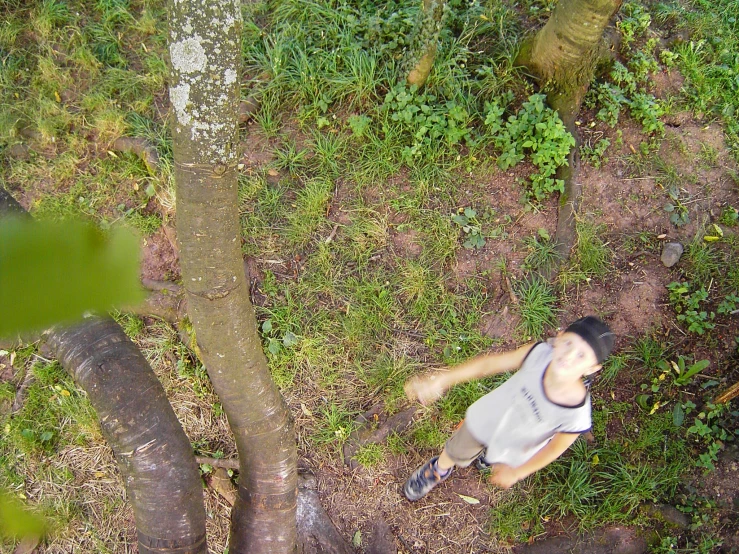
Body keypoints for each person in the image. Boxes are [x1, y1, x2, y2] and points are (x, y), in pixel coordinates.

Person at [402, 316, 614, 501]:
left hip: (516, 445)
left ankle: (488, 457)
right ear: (558, 338)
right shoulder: (538, 354)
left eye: (581, 356)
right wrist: (442, 380)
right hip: (486, 420)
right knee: (455, 450)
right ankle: (439, 468)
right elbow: (488, 365)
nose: (568, 356)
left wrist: (518, 473)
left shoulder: (576, 415)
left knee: (495, 457)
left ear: (592, 368)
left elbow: (554, 449)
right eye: (568, 344)